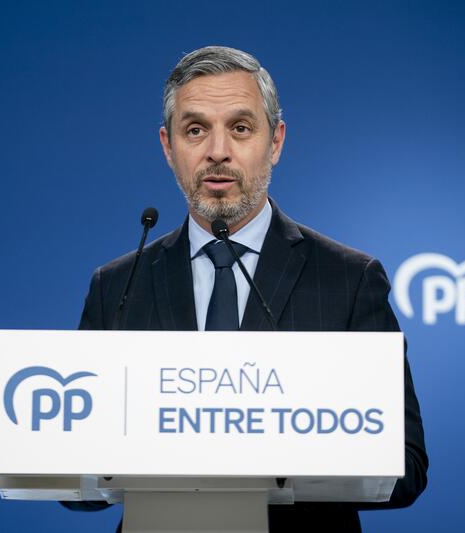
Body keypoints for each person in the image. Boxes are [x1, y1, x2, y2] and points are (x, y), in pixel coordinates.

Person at [62, 45, 428, 532]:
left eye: (240, 127)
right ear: (168, 147)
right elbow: (73, 479)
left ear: (275, 142)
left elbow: (405, 466)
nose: (217, 151)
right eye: (195, 130)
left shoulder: (349, 279)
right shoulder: (117, 287)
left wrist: (278, 453)